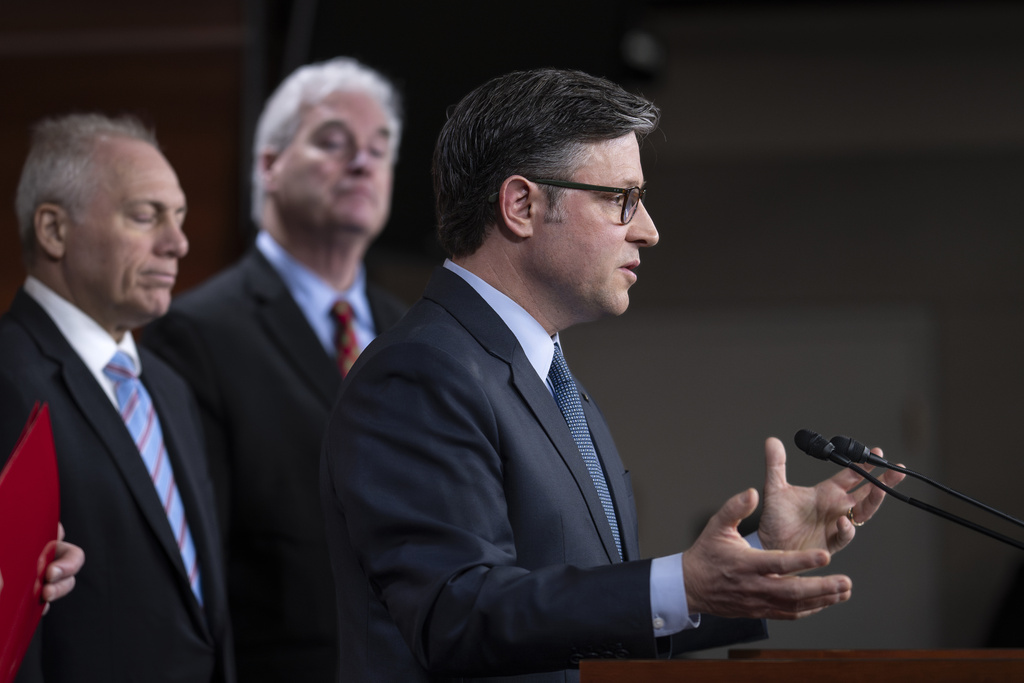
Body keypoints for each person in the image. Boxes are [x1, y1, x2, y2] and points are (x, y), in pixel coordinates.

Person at [319, 68, 906, 682]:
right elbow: (456, 615)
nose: (648, 230)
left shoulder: (551, 382)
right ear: (521, 206)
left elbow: (592, 623)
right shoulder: (419, 373)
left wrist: (757, 559)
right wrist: (680, 583)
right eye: (621, 198)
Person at [143, 57, 407, 682]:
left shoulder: (414, 333)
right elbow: (192, 562)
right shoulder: (193, 333)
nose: (363, 163)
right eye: (334, 142)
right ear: (269, 165)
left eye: (379, 148)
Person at [0, 113, 234, 682]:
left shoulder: (169, 388)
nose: (177, 243)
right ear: (54, 230)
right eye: (146, 216)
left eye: (179, 217)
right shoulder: (6, 376)